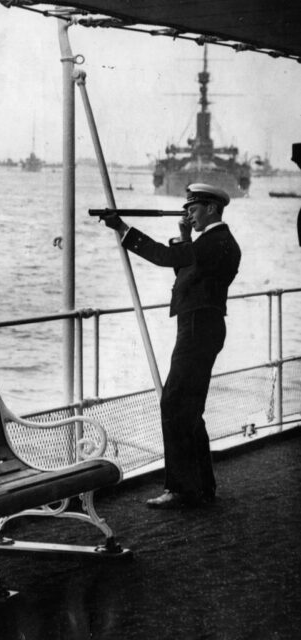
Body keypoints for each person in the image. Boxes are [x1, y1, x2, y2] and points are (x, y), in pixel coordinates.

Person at [101, 183, 241, 509]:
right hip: (201, 326)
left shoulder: (215, 241)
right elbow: (185, 272)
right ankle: (202, 487)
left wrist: (123, 228)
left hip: (197, 328)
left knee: (174, 404)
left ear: (211, 208)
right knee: (188, 409)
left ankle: (180, 490)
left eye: (192, 209)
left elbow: (165, 258)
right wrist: (184, 235)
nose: (188, 214)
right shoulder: (213, 243)